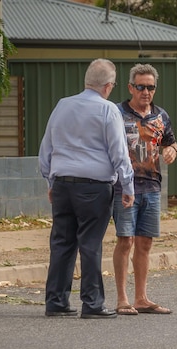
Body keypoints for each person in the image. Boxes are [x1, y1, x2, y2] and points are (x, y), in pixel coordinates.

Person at [39, 58, 135, 319]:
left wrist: (51, 181)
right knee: (90, 244)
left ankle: (56, 301)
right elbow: (119, 152)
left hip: (62, 185)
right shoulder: (108, 110)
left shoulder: (62, 106)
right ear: (108, 86)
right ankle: (92, 304)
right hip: (94, 187)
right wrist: (128, 185)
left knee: (61, 242)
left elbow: (45, 149)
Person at [112, 64, 177, 316]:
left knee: (145, 243)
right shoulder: (117, 113)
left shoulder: (160, 115)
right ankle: (122, 298)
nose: (146, 92)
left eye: (151, 87)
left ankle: (141, 298)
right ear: (130, 87)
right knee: (125, 240)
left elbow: (171, 143)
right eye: (141, 87)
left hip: (152, 186)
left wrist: (172, 150)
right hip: (125, 187)